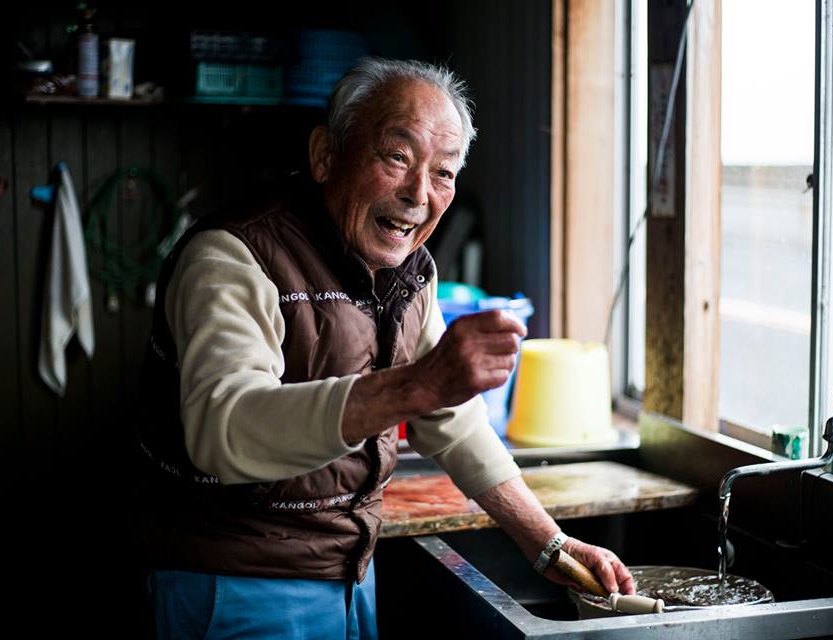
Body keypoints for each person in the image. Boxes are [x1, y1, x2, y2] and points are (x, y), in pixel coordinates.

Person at [135, 57, 634, 639]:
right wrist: (418, 384)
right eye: (397, 157)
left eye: (443, 173)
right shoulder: (233, 257)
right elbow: (223, 430)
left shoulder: (407, 270)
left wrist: (549, 545)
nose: (419, 194)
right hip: (233, 580)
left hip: (350, 573)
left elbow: (450, 419)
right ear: (326, 155)